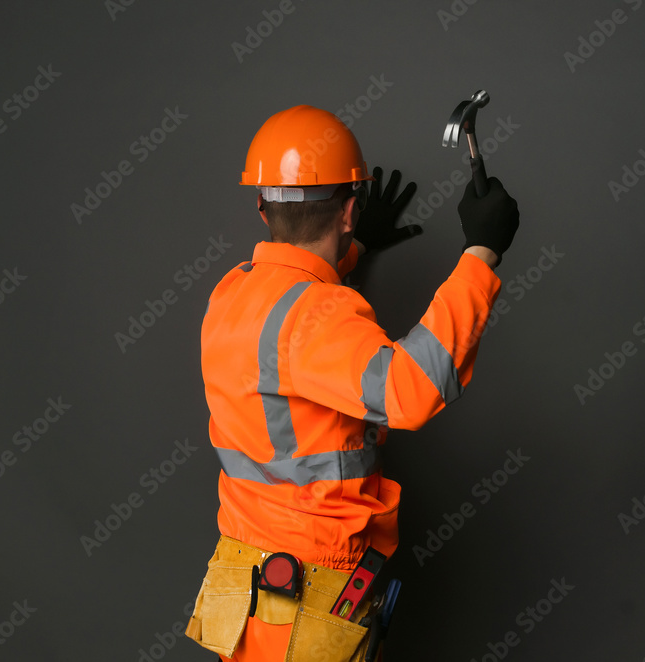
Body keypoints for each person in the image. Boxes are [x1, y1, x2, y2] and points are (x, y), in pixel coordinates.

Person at [185, 104, 519, 661]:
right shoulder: (321, 315)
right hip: (305, 598)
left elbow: (290, 325)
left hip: (247, 592)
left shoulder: (231, 293)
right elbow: (411, 389)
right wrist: (481, 254)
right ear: (348, 210)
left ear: (262, 206)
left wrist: (355, 246)